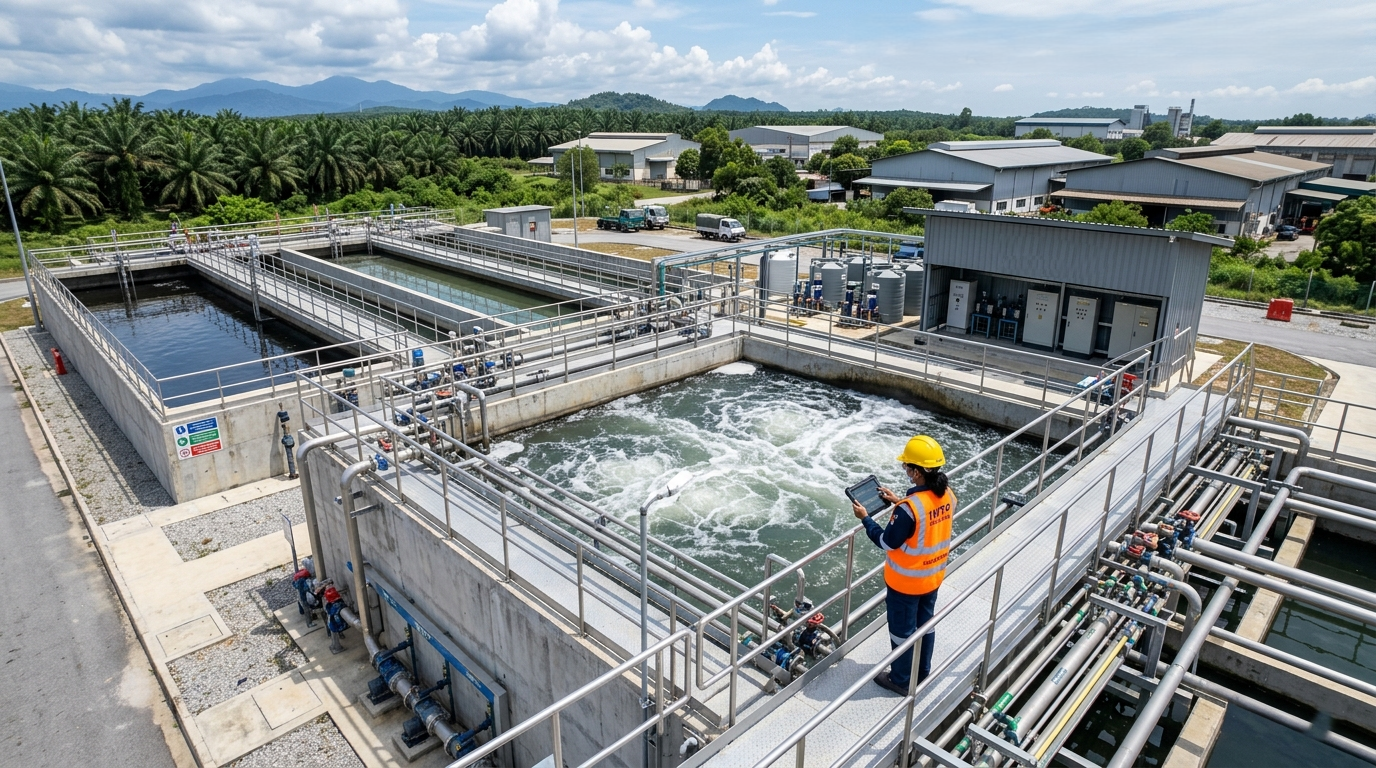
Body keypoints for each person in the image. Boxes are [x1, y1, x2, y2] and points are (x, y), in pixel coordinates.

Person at [852, 435, 954, 695]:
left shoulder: (909, 508)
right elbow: (925, 519)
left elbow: (887, 541)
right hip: (932, 577)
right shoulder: (947, 495)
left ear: (918, 472)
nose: (906, 470)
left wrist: (865, 519)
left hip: (906, 584)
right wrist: (898, 500)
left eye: (907, 466)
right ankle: (922, 671)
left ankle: (899, 680)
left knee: (902, 632)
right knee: (925, 625)